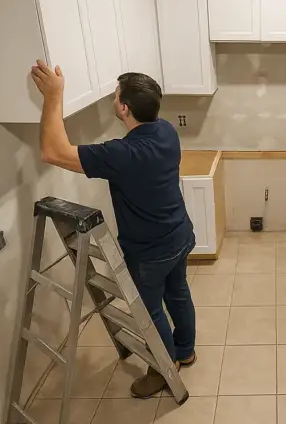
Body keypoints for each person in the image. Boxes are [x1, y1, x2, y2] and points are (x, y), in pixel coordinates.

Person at [30, 60, 197, 398]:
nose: (113, 100)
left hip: (150, 251)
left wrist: (53, 95)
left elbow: (52, 151)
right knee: (178, 293)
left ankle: (163, 370)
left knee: (151, 311)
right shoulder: (165, 130)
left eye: (115, 95)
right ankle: (185, 351)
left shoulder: (123, 154)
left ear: (124, 107)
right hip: (180, 234)